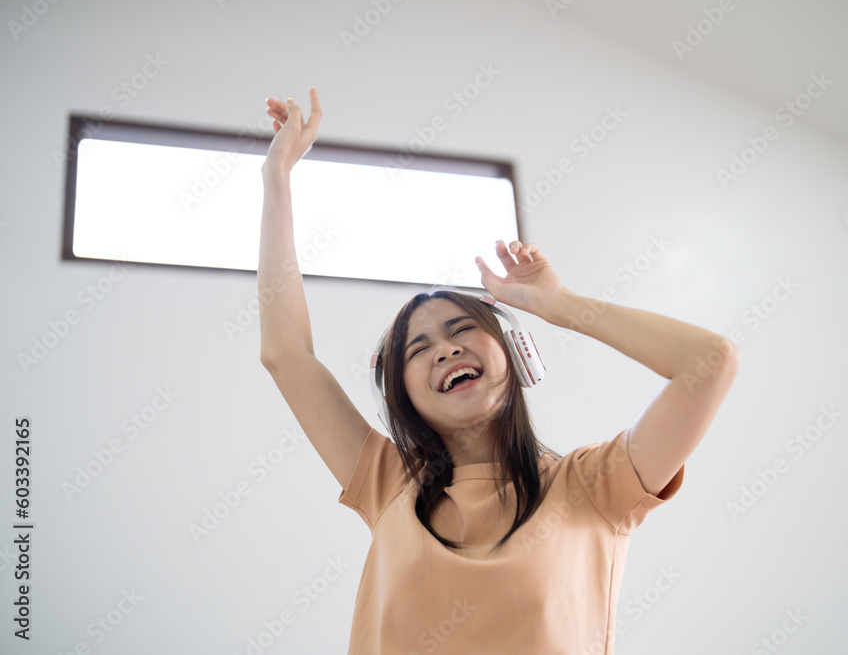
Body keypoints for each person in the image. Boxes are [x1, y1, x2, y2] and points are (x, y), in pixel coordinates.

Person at [258, 87, 741, 654]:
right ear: (401, 394)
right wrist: (277, 176)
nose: (445, 350)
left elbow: (709, 364)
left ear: (515, 356)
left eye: (461, 330)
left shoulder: (593, 485)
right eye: (418, 349)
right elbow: (285, 354)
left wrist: (559, 305)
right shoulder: (387, 482)